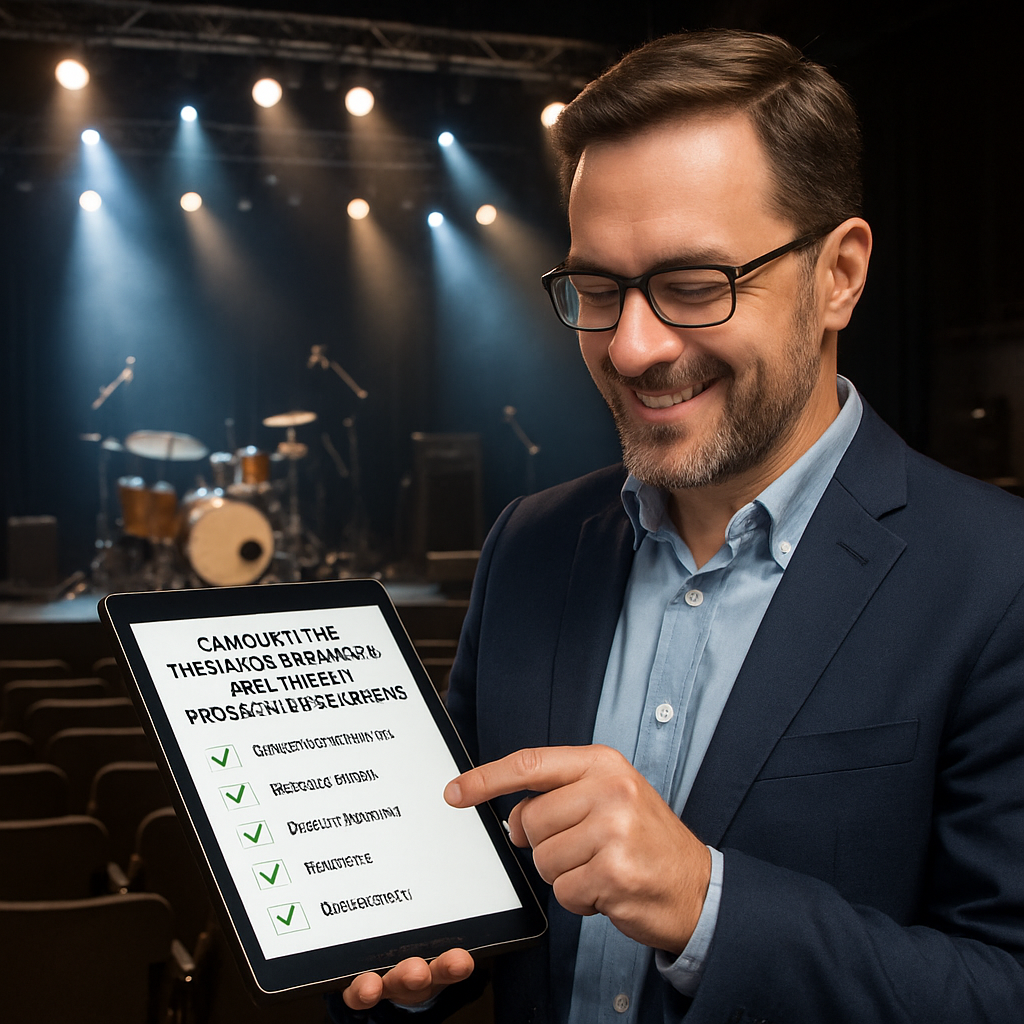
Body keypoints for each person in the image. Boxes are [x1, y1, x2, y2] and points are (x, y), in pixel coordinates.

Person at [335, 28, 1024, 1023]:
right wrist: (410, 946)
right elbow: (483, 900)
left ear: (840, 273)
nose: (632, 345)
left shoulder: (995, 578)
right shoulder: (527, 544)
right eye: (598, 289)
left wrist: (709, 905)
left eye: (695, 285)